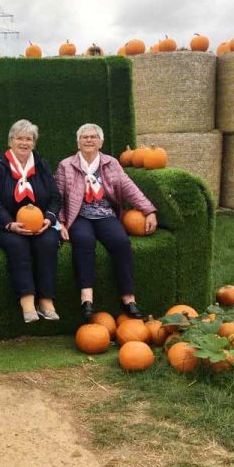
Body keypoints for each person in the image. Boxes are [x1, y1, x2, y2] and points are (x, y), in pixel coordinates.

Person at [55, 123, 157, 320]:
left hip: (105, 214)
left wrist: (149, 210)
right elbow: (57, 197)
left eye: (93, 137)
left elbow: (129, 188)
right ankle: (86, 297)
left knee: (121, 242)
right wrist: (61, 222)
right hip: (79, 215)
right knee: (84, 241)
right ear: (78, 142)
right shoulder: (66, 165)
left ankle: (128, 297)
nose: (89, 140)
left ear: (101, 142)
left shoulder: (111, 163)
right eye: (84, 137)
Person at [0, 119, 62, 323]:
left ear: (34, 143)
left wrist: (48, 219)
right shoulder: (0, 166)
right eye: (19, 138)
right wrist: (10, 224)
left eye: (28, 139)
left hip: (40, 225)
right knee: (17, 244)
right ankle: (27, 301)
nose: (24, 143)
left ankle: (46, 300)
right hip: (7, 226)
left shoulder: (42, 165)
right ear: (11, 141)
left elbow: (56, 198)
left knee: (47, 242)